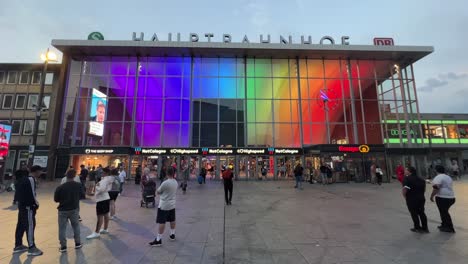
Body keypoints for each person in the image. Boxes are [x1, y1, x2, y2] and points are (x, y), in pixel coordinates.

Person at [13, 165, 43, 256]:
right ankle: (32, 247)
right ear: (37, 171)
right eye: (40, 171)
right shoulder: (31, 179)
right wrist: (35, 204)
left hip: (22, 205)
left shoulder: (23, 179)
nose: (41, 173)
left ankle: (18, 245)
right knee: (30, 226)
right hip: (28, 207)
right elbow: (32, 193)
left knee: (21, 225)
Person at [54, 169, 83, 253]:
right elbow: (82, 195)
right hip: (74, 209)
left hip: (62, 210)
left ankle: (63, 246)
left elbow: (56, 199)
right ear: (74, 176)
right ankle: (77, 243)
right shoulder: (78, 185)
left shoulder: (60, 187)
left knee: (62, 228)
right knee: (76, 226)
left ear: (66, 175)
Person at [149, 167, 178, 247]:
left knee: (162, 221)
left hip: (164, 205)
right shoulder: (175, 182)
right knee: (172, 219)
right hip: (172, 204)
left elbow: (158, 191)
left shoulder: (165, 183)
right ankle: (172, 234)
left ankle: (158, 239)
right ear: (173, 173)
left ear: (166, 173)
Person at [87, 168, 113, 239]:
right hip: (106, 198)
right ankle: (105, 228)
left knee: (100, 216)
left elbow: (101, 189)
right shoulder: (108, 179)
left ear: (106, 173)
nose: (101, 173)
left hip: (101, 199)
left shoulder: (104, 180)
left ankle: (97, 232)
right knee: (106, 214)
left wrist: (97, 187)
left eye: (102, 172)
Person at [402, 166, 429, 233]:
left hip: (412, 199)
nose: (404, 171)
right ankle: (425, 228)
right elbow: (424, 189)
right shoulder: (421, 179)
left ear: (409, 171)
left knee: (414, 213)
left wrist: (405, 196)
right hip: (421, 198)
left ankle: (417, 227)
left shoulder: (407, 179)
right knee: (422, 213)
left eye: (406, 170)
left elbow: (405, 189)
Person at [430, 165, 456, 233]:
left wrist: (432, 196)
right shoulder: (448, 176)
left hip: (443, 197)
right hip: (451, 197)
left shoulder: (438, 177)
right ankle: (444, 225)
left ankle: (450, 227)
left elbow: (436, 188)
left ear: (436, 170)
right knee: (443, 212)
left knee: (444, 212)